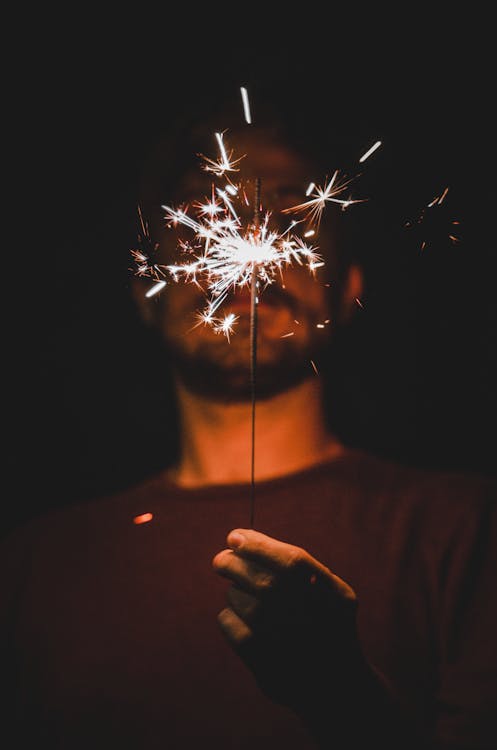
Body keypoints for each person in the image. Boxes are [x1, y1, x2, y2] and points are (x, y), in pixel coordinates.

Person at [1, 95, 496, 750]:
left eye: (293, 211)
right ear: (145, 291)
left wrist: (343, 697)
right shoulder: (31, 567)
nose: (250, 237)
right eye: (208, 212)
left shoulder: (465, 527)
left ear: (347, 286)